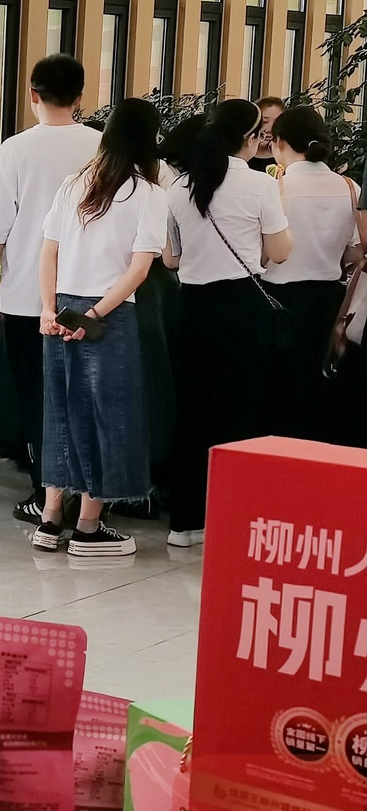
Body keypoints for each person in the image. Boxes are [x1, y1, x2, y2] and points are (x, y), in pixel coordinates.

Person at [0, 55, 101, 525]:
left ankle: (46, 495)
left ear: (32, 95)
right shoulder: (102, 147)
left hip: (28, 297)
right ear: (80, 97)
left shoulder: (15, 150)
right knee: (83, 399)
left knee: (37, 398)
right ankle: (86, 495)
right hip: (91, 298)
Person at [34, 97, 167, 558]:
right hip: (108, 315)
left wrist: (48, 309)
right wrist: (95, 316)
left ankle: (50, 520)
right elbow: (139, 269)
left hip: (61, 309)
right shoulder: (148, 193)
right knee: (106, 416)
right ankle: (88, 528)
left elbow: (47, 251)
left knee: (61, 411)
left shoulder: (74, 183)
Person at [163, 98, 292, 547]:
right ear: (249, 138)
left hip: (191, 307)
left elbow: (171, 257)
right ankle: (234, 523)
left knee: (191, 413)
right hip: (241, 306)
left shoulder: (180, 186)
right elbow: (280, 251)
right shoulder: (259, 185)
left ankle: (185, 523)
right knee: (240, 414)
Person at [264, 105, 360, 442]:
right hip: (330, 299)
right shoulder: (349, 187)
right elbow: (354, 253)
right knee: (321, 387)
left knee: (281, 392)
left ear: (279, 142)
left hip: (278, 299)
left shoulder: (275, 188)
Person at [246, 96, 284, 175]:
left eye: (277, 122)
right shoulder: (241, 159)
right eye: (264, 122)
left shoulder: (287, 160)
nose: (270, 129)